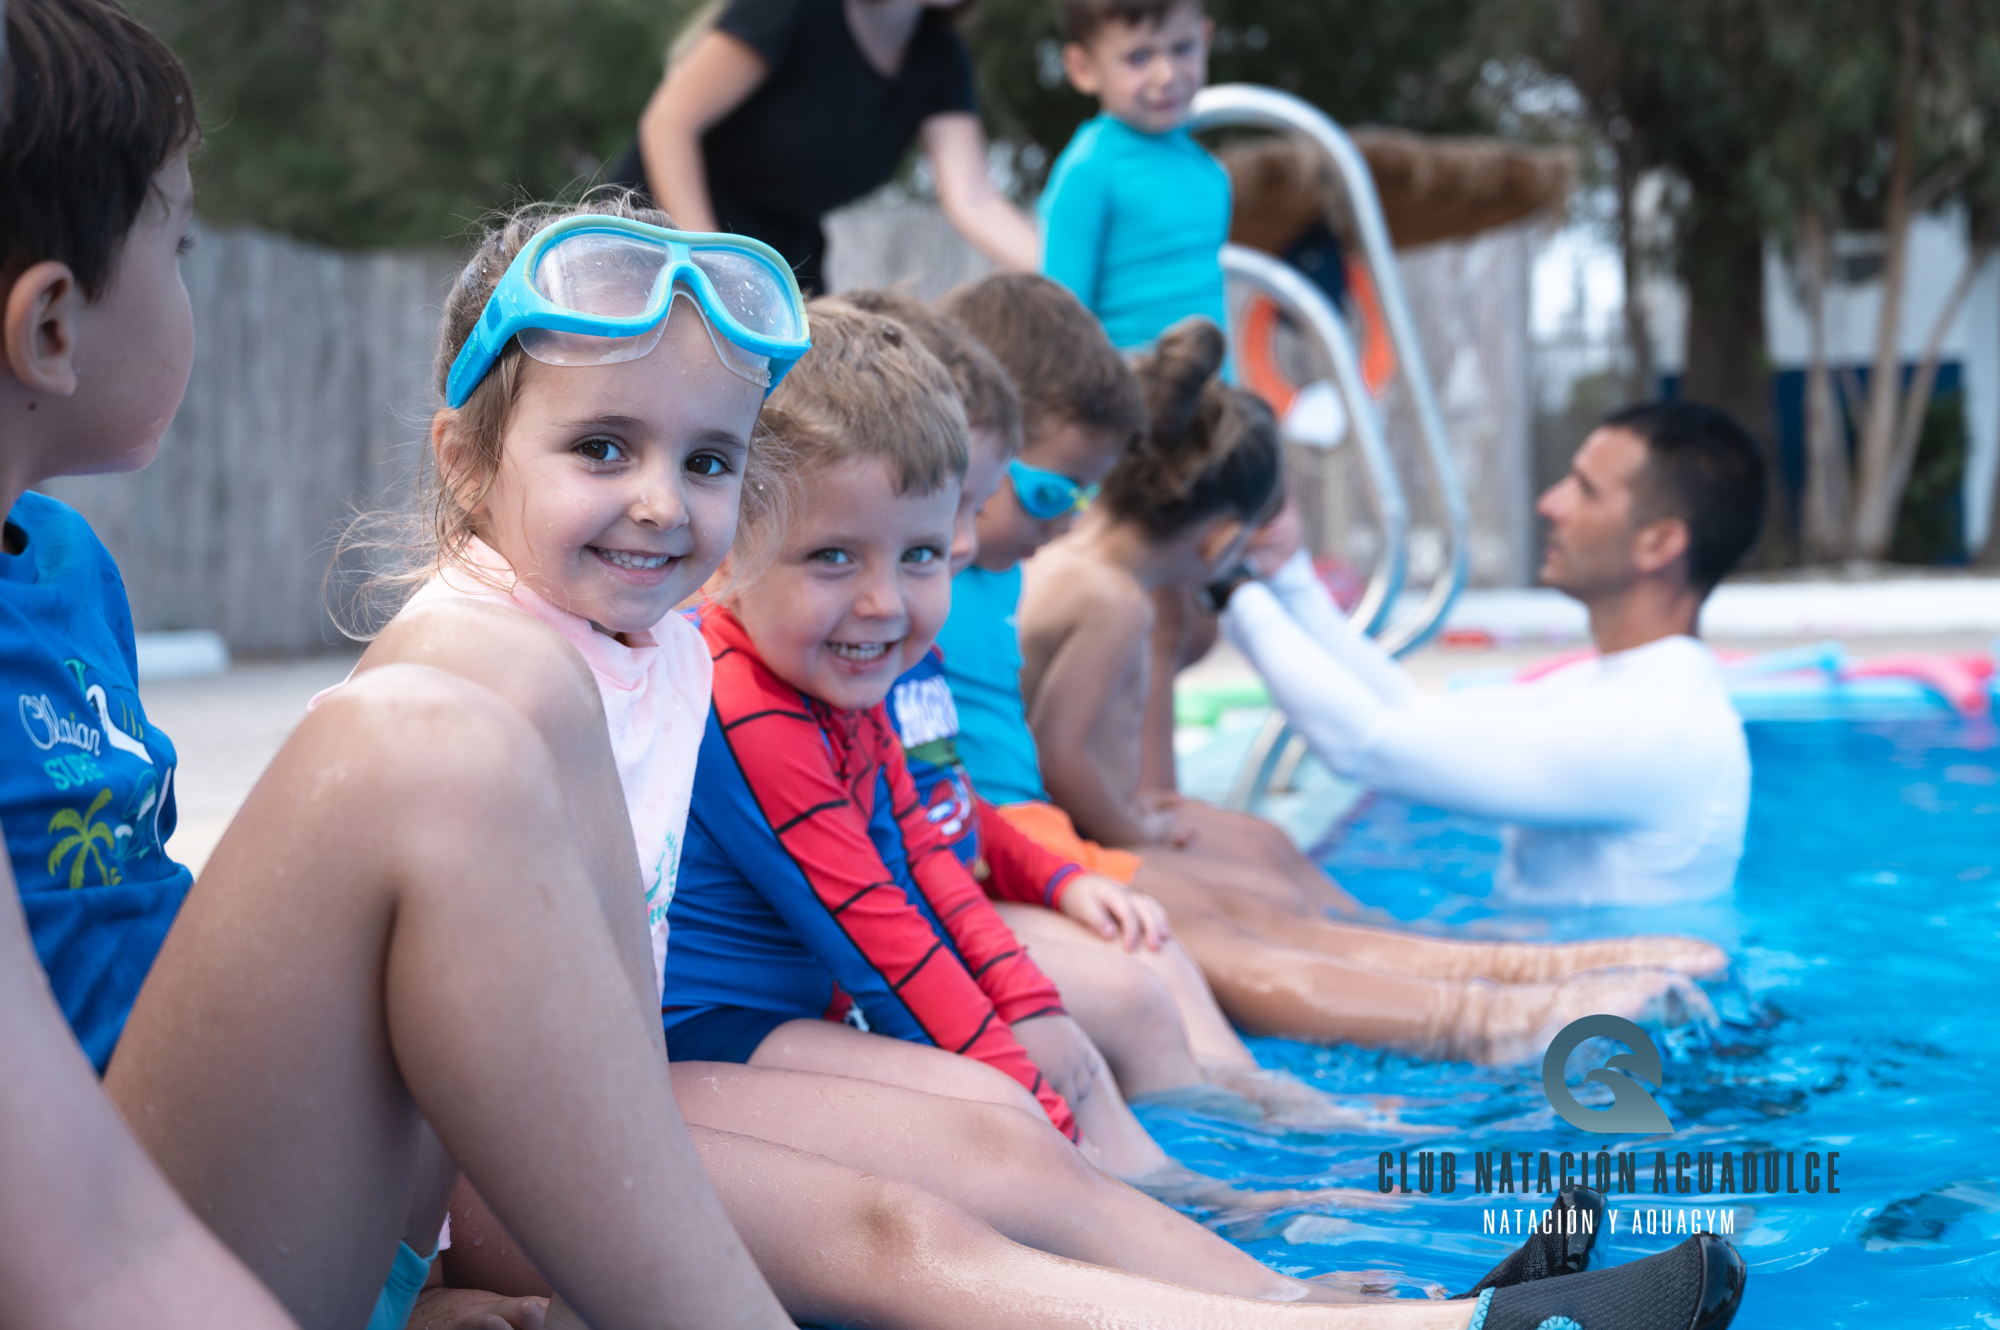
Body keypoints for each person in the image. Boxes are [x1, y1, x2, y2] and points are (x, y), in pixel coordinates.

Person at [937, 278, 1722, 1065]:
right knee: (1235, 923)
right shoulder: (1064, 590)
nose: (1065, 520)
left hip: (1032, 835)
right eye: (1053, 493)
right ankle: (1481, 1014)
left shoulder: (1022, 578)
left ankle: (1513, 973)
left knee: (1260, 875)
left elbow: (1398, 721)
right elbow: (1372, 740)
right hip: (1028, 843)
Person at [846, 287, 1400, 1131]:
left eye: (969, 507)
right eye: (1048, 495)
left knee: (1196, 926)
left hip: (1006, 848)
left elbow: (940, 782)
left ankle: (1259, 1099)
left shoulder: (983, 586)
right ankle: (1270, 1113)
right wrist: (1118, 837)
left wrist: (1080, 862)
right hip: (1003, 851)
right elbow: (1034, 761)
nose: (960, 542)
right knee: (1171, 957)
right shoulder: (998, 598)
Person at [1218, 401, 1764, 907]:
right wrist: (1286, 575)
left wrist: (1227, 586)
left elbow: (1366, 747)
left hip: (1608, 986)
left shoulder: (1657, 729)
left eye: (1585, 490)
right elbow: (1409, 714)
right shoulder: (1611, 689)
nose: (1550, 503)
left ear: (1659, 543)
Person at [609, 0, 1036, 294]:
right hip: (656, 232)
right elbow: (670, 122)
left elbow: (974, 199)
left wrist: (1063, 272)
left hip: (780, 256)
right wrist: (709, 262)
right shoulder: (795, 8)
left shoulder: (941, 60)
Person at [1038, 0, 1228, 353]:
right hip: (1129, 385)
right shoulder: (1089, 168)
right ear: (1083, 68)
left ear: (1205, 38)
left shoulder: (1211, 173)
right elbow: (1061, 323)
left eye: (1182, 48)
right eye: (1138, 57)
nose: (1166, 75)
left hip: (1214, 384)